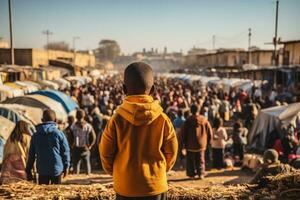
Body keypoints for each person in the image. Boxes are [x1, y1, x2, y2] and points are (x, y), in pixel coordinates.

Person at [100, 62, 178, 200]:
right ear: (153, 89)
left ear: (124, 89)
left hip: (125, 187)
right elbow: (172, 152)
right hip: (155, 187)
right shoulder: (163, 119)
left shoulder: (116, 120)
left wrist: (118, 172)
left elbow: (105, 153)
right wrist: (159, 171)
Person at [26, 109, 70, 185]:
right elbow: (65, 151)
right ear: (55, 120)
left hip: (42, 170)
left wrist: (28, 169)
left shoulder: (35, 135)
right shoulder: (59, 134)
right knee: (56, 193)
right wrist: (66, 166)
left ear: (42, 120)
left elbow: (31, 155)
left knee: (43, 194)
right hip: (56, 169)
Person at [181, 104, 213, 179]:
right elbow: (209, 132)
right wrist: (208, 142)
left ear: (191, 111)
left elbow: (183, 133)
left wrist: (183, 144)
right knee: (201, 159)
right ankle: (200, 173)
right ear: (198, 110)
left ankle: (191, 174)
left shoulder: (188, 120)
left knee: (190, 160)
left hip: (190, 144)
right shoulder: (204, 120)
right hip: (201, 144)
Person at [71, 109, 96, 175]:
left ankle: (76, 174)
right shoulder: (88, 126)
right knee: (87, 163)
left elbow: (70, 136)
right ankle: (88, 174)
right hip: (85, 148)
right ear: (84, 116)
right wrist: (90, 145)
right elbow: (93, 137)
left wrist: (71, 145)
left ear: (76, 116)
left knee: (76, 164)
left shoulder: (73, 126)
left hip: (76, 148)